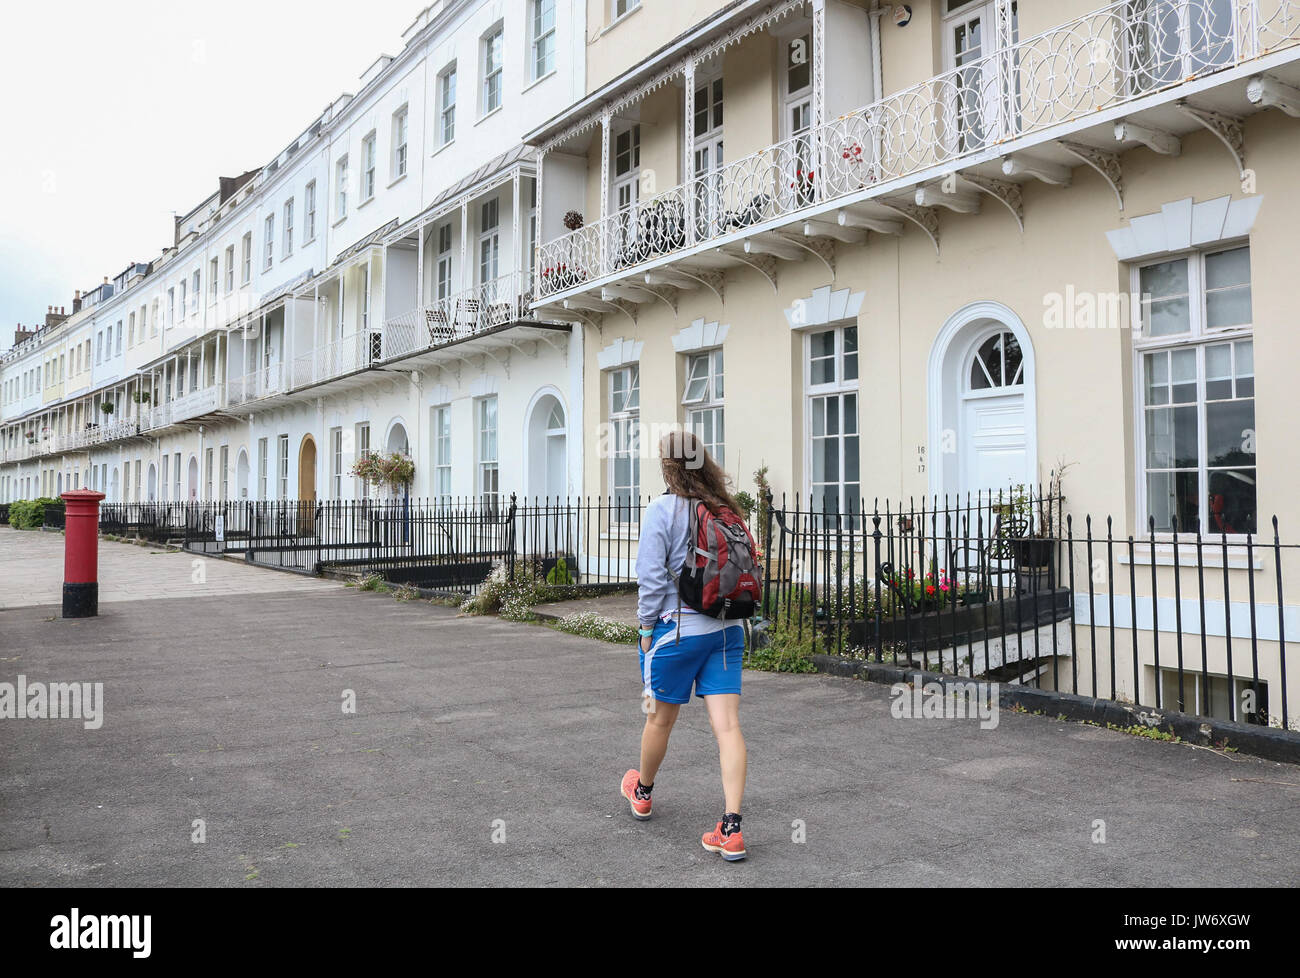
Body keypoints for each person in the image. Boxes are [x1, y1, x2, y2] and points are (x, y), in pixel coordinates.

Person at [620, 430, 748, 861]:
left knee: (659, 721)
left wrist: (643, 629)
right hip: (728, 629)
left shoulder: (662, 510)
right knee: (728, 728)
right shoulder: (724, 508)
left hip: (678, 633)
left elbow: (652, 579)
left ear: (668, 467)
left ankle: (643, 792)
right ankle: (731, 828)